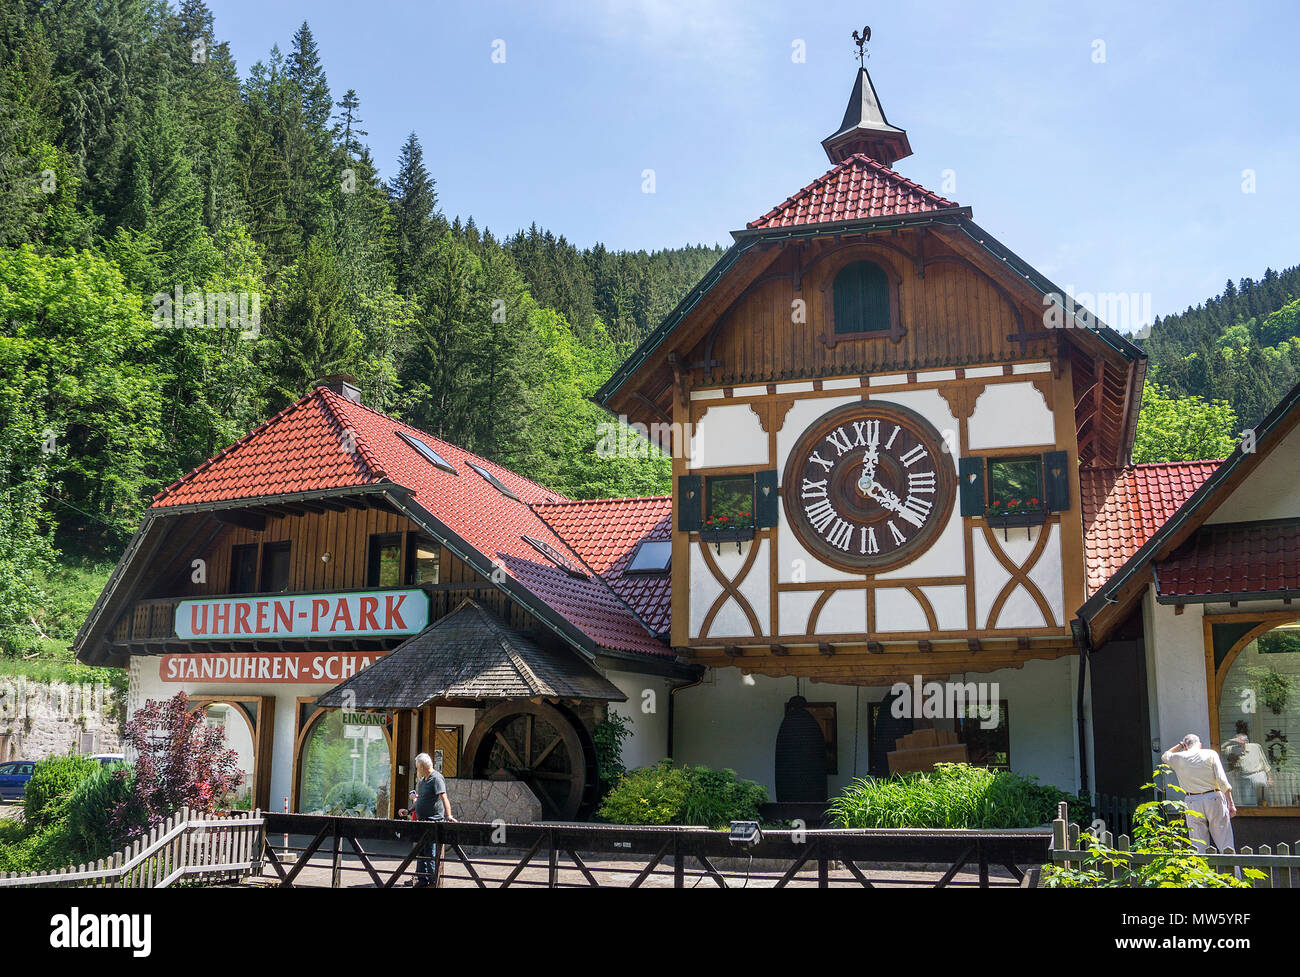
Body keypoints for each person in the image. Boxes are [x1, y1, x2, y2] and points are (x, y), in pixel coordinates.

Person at [1161, 734, 1236, 853]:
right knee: (1225, 841)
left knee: (1198, 843)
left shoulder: (1178, 757)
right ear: (1200, 745)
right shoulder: (1210, 754)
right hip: (1213, 797)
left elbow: (1165, 755)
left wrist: (1180, 745)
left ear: (1185, 746)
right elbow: (1222, 780)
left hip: (1192, 800)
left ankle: (1200, 871)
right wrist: (1231, 803)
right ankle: (1234, 871)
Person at [410, 752, 455, 888]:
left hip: (432, 821)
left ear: (422, 766)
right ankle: (422, 879)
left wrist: (449, 816)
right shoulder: (423, 781)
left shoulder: (436, 778)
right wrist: (409, 810)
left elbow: (444, 797)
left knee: (430, 852)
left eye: (418, 767)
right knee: (421, 851)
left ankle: (431, 882)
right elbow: (420, 800)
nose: (417, 769)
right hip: (422, 821)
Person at [1221, 721, 1272, 807]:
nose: (1241, 743)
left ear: (1246, 741)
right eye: (1239, 741)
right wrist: (1230, 741)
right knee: (1248, 803)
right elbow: (1219, 749)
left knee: (1263, 801)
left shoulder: (1255, 747)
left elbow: (1264, 763)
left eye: (1243, 741)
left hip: (1258, 775)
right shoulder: (1233, 748)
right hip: (1243, 777)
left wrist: (1269, 778)